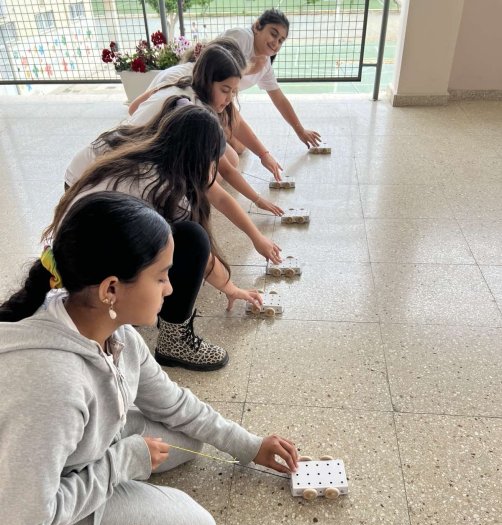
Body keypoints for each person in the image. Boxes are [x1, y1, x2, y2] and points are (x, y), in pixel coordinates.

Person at [0, 191, 298, 525]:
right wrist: (122, 462)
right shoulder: (53, 386)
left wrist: (249, 445)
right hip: (26, 519)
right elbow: (23, 520)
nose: (170, 289)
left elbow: (174, 403)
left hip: (64, 456)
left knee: (189, 440)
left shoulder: (114, 330)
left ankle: (98, 462)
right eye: (160, 277)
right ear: (111, 289)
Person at [48, 104, 266, 373]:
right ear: (199, 160)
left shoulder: (136, 153)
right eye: (213, 163)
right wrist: (231, 288)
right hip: (91, 276)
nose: (213, 172)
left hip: (69, 259)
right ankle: (175, 341)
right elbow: (199, 254)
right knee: (192, 239)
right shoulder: (164, 187)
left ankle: (120, 306)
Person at [127, 40, 285, 199]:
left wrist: (263, 154)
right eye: (226, 90)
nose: (230, 97)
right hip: (141, 161)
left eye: (234, 91)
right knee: (213, 170)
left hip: (128, 142)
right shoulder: (194, 106)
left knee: (228, 158)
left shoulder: (192, 82)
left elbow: (133, 108)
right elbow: (220, 178)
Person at [221, 9, 321, 151]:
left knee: (241, 147)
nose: (276, 43)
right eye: (273, 34)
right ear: (257, 26)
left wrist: (301, 131)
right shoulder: (241, 37)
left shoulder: (265, 63)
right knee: (235, 150)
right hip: (202, 89)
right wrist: (250, 68)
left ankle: (218, 131)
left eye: (281, 40)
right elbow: (216, 70)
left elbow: (279, 99)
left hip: (223, 101)